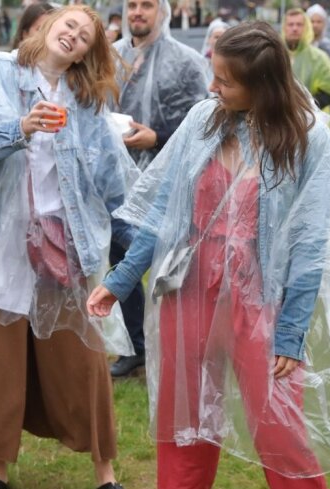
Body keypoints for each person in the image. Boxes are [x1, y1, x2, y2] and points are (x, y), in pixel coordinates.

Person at [88, 21, 330, 489]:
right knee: (185, 427)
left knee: (281, 432)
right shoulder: (204, 120)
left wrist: (290, 331)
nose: (211, 87)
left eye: (224, 81)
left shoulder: (308, 138)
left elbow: (309, 244)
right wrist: (120, 279)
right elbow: (163, 213)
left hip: (261, 303)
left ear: (263, 85)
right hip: (189, 294)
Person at [0, 5, 139, 489]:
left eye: (86, 35)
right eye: (68, 23)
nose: (74, 34)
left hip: (63, 248)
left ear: (89, 52)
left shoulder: (85, 100)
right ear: (46, 26)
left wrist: (142, 237)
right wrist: (19, 127)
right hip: (0, 245)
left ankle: (106, 473)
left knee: (84, 361)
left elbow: (114, 178)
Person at [111, 0, 209, 378]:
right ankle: (136, 346)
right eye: (132, 5)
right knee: (121, 261)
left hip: (170, 181)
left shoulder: (185, 62)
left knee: (171, 266)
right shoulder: (112, 58)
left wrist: (156, 138)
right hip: (117, 180)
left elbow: (202, 125)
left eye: (147, 5)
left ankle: (177, 347)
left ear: (163, 12)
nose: (138, 12)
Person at [281, 8, 330, 110]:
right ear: (284, 28)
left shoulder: (318, 57)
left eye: (299, 24)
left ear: (306, 27)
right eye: (290, 24)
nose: (294, 28)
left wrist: (307, 108)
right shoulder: (275, 55)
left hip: (312, 119)